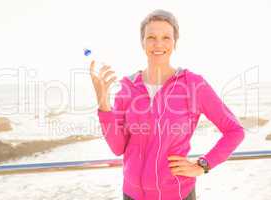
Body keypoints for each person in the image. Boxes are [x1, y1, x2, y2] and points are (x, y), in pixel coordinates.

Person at [90, 9, 245, 200]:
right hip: (131, 195)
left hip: (177, 195)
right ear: (142, 42)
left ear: (174, 43)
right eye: (151, 37)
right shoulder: (127, 86)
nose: (158, 44)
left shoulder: (192, 84)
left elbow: (235, 131)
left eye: (166, 37)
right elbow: (118, 147)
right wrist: (103, 103)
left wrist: (203, 165)